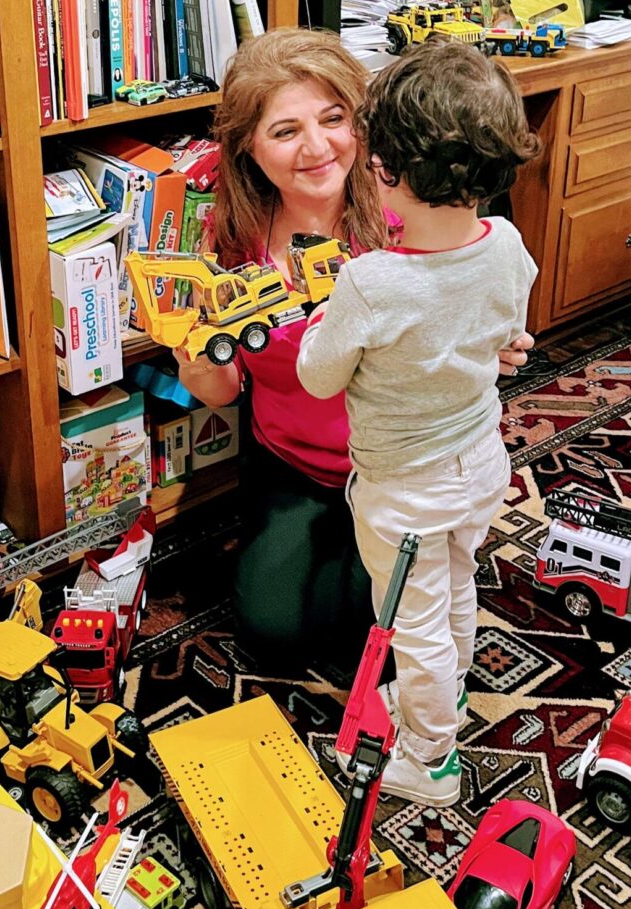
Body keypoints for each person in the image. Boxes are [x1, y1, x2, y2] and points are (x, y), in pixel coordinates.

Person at [177, 28, 532, 667]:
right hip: (296, 464)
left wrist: (495, 347)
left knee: (400, 630)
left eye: (334, 118)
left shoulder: (420, 208)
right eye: (285, 132)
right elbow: (225, 388)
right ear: (248, 149)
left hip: (413, 465)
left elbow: (488, 302)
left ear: (362, 123)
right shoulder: (231, 235)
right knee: (276, 634)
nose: (317, 148)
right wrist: (202, 371)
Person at [296, 39, 541, 807]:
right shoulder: (505, 243)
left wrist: (323, 319)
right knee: (456, 585)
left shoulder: (370, 283)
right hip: (480, 460)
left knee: (414, 623)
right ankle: (450, 698)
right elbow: (509, 329)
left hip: (405, 489)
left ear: (385, 170)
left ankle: (431, 759)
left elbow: (317, 376)